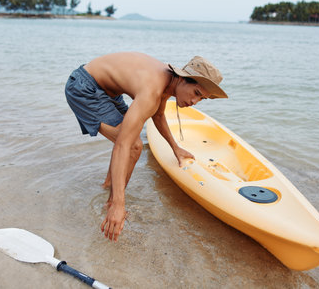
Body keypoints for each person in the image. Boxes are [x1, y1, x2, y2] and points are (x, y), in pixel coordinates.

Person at [65, 52, 228, 242]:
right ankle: (113, 205)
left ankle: (108, 188)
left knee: (128, 138)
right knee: (133, 146)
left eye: (202, 99)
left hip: (107, 91)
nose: (194, 102)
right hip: (85, 87)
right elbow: (123, 145)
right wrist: (120, 204)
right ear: (183, 79)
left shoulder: (169, 83)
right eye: (196, 93)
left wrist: (175, 147)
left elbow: (158, 115)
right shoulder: (152, 90)